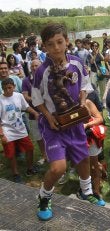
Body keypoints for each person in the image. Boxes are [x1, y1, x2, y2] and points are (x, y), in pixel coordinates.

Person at [31, 23, 103, 221]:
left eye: (60, 42)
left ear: (67, 41)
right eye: (50, 44)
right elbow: (37, 99)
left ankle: (85, 191)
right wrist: (48, 116)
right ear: (44, 46)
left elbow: (85, 84)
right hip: (54, 126)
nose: (56, 48)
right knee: (58, 168)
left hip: (75, 122)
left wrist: (81, 103)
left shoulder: (77, 63)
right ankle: (44, 197)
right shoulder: (42, 71)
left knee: (83, 158)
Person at [0, 78, 40, 183]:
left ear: (13, 86)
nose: (8, 90)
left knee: (30, 148)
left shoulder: (19, 96)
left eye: (9, 88)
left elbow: (26, 107)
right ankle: (16, 174)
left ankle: (30, 168)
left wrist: (35, 113)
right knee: (11, 154)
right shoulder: (0, 100)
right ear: (2, 88)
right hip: (7, 131)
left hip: (20, 129)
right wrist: (2, 135)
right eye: (5, 89)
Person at [22, 59, 47, 165]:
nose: (34, 68)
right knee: (38, 137)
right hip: (34, 114)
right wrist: (36, 99)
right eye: (32, 66)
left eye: (36, 65)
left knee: (49, 135)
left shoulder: (46, 78)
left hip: (48, 112)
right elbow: (25, 96)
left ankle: (54, 154)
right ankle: (45, 156)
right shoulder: (26, 80)